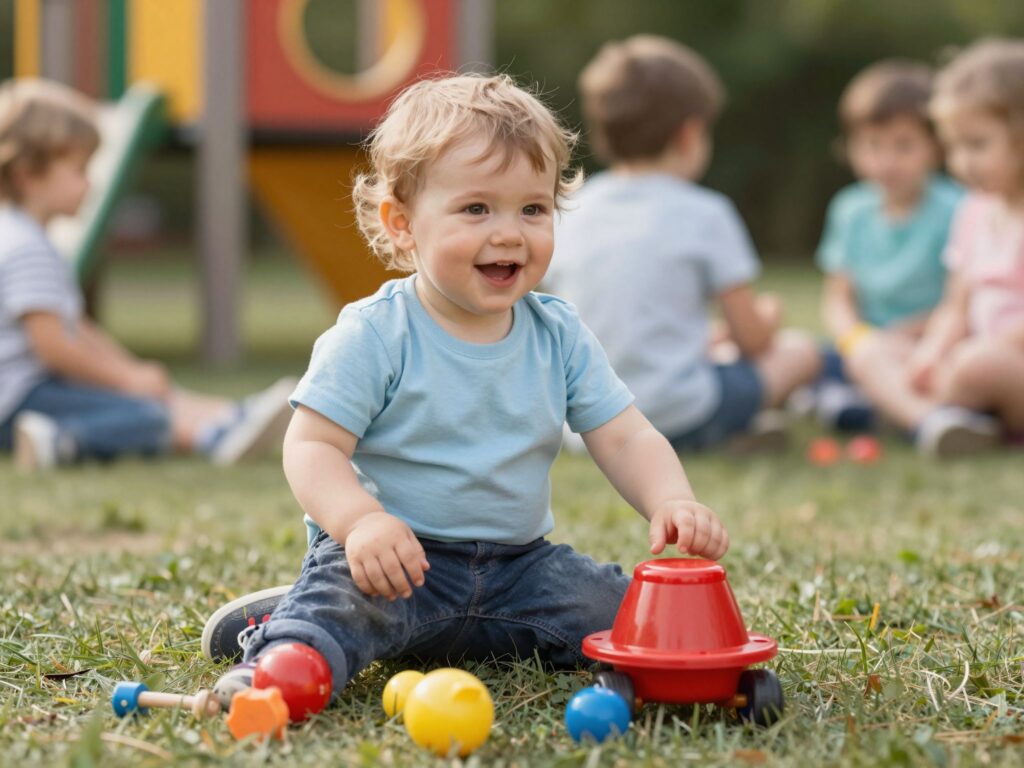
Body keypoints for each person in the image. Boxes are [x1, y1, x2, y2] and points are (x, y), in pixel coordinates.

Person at [199, 74, 729, 697]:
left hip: (520, 570)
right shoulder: (376, 333)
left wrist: (670, 499)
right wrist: (361, 522)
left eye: (533, 209)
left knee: (625, 610)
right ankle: (279, 657)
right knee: (341, 607)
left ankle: (650, 652)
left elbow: (624, 436)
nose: (509, 232)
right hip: (395, 564)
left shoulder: (557, 333)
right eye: (476, 208)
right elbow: (311, 446)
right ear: (402, 224)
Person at [545, 36, 821, 453]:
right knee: (801, 351)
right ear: (690, 134)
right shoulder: (707, 213)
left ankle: (737, 429)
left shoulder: (568, 209)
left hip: (588, 430)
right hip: (683, 414)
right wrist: (767, 317)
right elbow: (753, 342)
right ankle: (731, 430)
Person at [0, 79, 294, 470]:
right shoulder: (26, 248)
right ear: (27, 174)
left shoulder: (18, 235)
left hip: (23, 395)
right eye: (79, 170)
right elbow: (53, 346)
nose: (91, 184)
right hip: (18, 403)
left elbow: (76, 327)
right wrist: (124, 380)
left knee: (143, 394)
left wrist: (130, 370)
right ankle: (66, 440)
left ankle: (228, 417)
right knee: (143, 414)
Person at [844, 38, 1024, 456]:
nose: (962, 162)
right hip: (967, 358)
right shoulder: (974, 212)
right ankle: (933, 422)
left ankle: (911, 409)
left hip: (1006, 365)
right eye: (955, 147)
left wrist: (984, 349)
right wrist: (932, 350)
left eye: (977, 144)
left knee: (980, 365)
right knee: (871, 349)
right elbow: (955, 306)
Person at [816, 60, 963, 432]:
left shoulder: (957, 208)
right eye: (872, 145)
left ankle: (912, 417)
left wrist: (907, 336)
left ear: (935, 146)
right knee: (816, 355)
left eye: (904, 146)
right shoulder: (850, 209)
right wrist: (855, 337)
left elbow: (960, 301)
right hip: (869, 343)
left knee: (939, 368)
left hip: (931, 343)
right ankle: (873, 400)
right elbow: (838, 297)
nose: (886, 161)